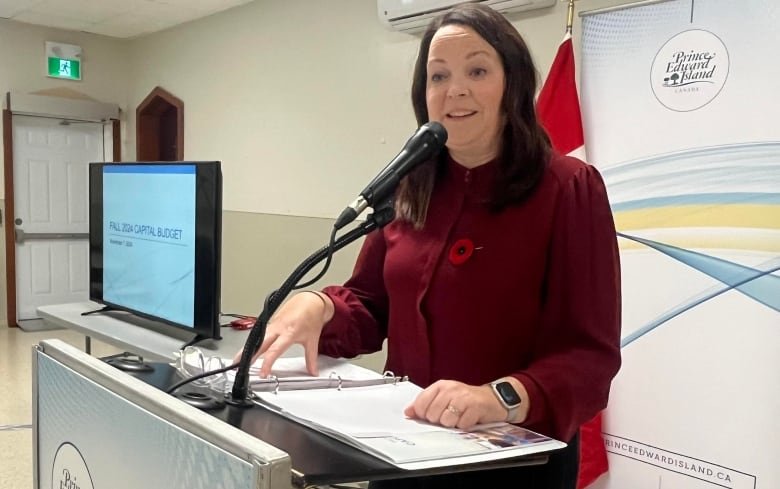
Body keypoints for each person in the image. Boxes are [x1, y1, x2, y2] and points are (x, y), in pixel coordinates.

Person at [242, 4, 621, 488]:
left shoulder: (568, 186)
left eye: (477, 70)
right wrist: (319, 305)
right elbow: (370, 306)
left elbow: (589, 357)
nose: (455, 90)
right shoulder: (409, 185)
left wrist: (498, 397)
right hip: (404, 453)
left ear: (514, 83)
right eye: (438, 76)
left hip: (510, 466)